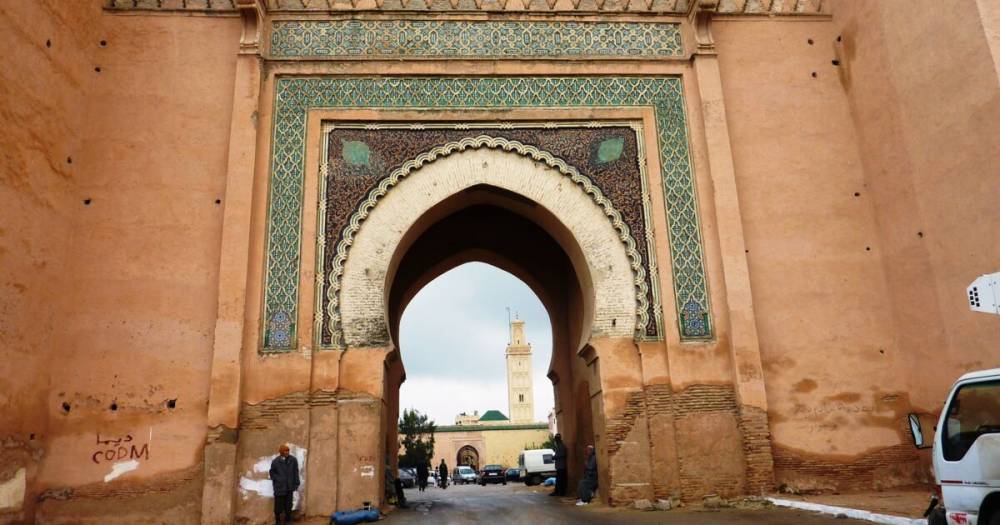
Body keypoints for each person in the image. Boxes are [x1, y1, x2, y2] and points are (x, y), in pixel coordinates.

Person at [269, 444, 300, 525]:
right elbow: (272, 473)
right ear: (281, 452)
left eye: (288, 450)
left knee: (288, 505)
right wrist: (278, 479)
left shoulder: (293, 460)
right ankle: (278, 521)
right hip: (279, 487)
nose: (287, 452)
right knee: (278, 505)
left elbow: (296, 472)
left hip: (289, 487)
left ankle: (287, 520)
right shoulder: (275, 461)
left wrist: (296, 483)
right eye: (285, 451)